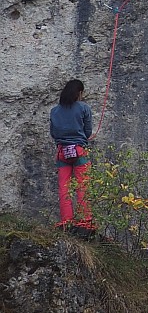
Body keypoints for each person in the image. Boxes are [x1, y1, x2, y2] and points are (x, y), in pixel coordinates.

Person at [50, 79, 95, 233]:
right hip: (79, 150)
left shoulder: (55, 111)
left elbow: (53, 133)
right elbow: (88, 131)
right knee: (83, 185)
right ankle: (85, 221)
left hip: (62, 152)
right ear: (79, 92)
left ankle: (66, 221)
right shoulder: (83, 108)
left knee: (64, 187)